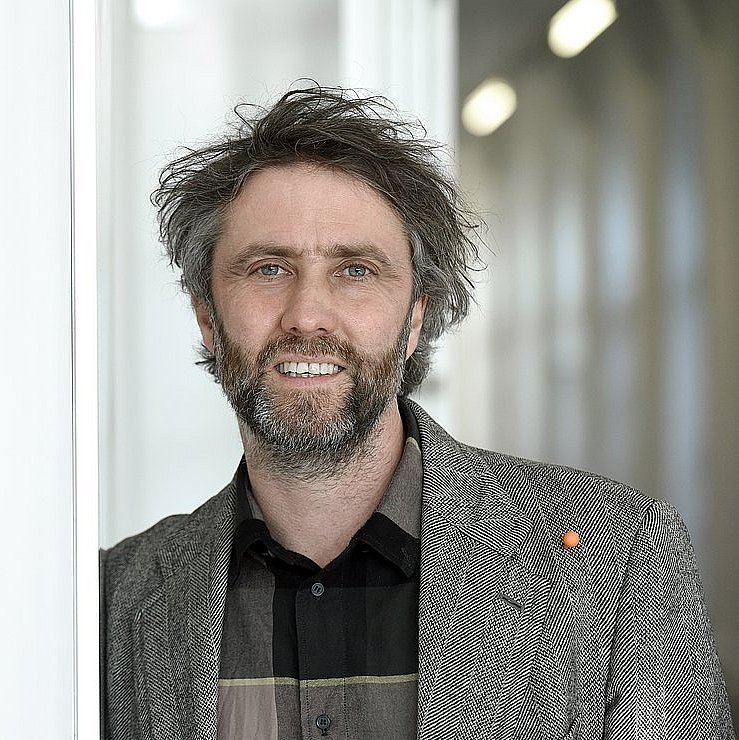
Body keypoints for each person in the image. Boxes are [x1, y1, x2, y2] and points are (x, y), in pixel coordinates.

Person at [100, 86, 736, 740]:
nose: (307, 315)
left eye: (355, 270)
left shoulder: (615, 560)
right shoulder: (113, 600)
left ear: (414, 320)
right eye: (268, 269)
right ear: (208, 318)